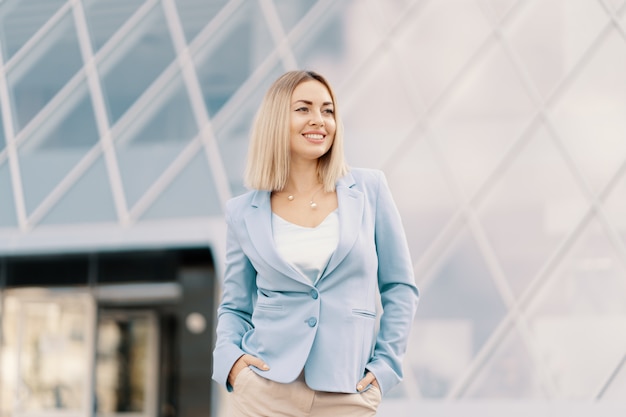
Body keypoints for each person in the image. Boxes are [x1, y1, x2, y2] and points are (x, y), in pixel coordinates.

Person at [212, 70, 419, 416]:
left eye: (328, 110)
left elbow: (400, 288)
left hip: (347, 390)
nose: (319, 120)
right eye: (304, 109)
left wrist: (385, 369)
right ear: (277, 119)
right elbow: (235, 306)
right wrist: (231, 364)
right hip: (264, 391)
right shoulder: (243, 212)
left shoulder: (370, 190)